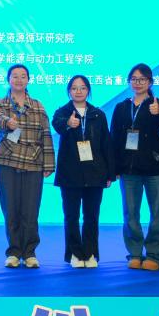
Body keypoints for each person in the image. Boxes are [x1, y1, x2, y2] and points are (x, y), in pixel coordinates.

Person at [0, 64, 54, 269]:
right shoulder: (0, 103)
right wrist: (8, 122)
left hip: (33, 163)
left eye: (23, 76)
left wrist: (48, 164)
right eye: (15, 76)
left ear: (28, 80)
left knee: (31, 210)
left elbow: (46, 135)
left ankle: (30, 253)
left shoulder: (38, 106)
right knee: (10, 209)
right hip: (7, 162)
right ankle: (13, 252)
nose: (19, 80)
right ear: (8, 79)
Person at [110, 63, 159, 271]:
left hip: (155, 168)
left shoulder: (157, 104)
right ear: (129, 82)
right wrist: (114, 168)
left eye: (142, 79)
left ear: (150, 82)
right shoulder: (121, 107)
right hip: (128, 170)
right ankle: (135, 253)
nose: (138, 83)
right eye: (134, 79)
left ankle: (155, 255)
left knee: (158, 213)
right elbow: (114, 138)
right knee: (130, 214)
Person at [52, 75, 114, 268]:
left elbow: (106, 144)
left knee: (92, 216)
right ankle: (74, 254)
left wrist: (110, 173)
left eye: (82, 88)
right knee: (71, 216)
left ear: (88, 90)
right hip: (70, 174)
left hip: (95, 172)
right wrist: (68, 124)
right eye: (74, 88)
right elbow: (57, 125)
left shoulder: (98, 114)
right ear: (69, 91)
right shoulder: (62, 112)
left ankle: (90, 253)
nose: (78, 91)